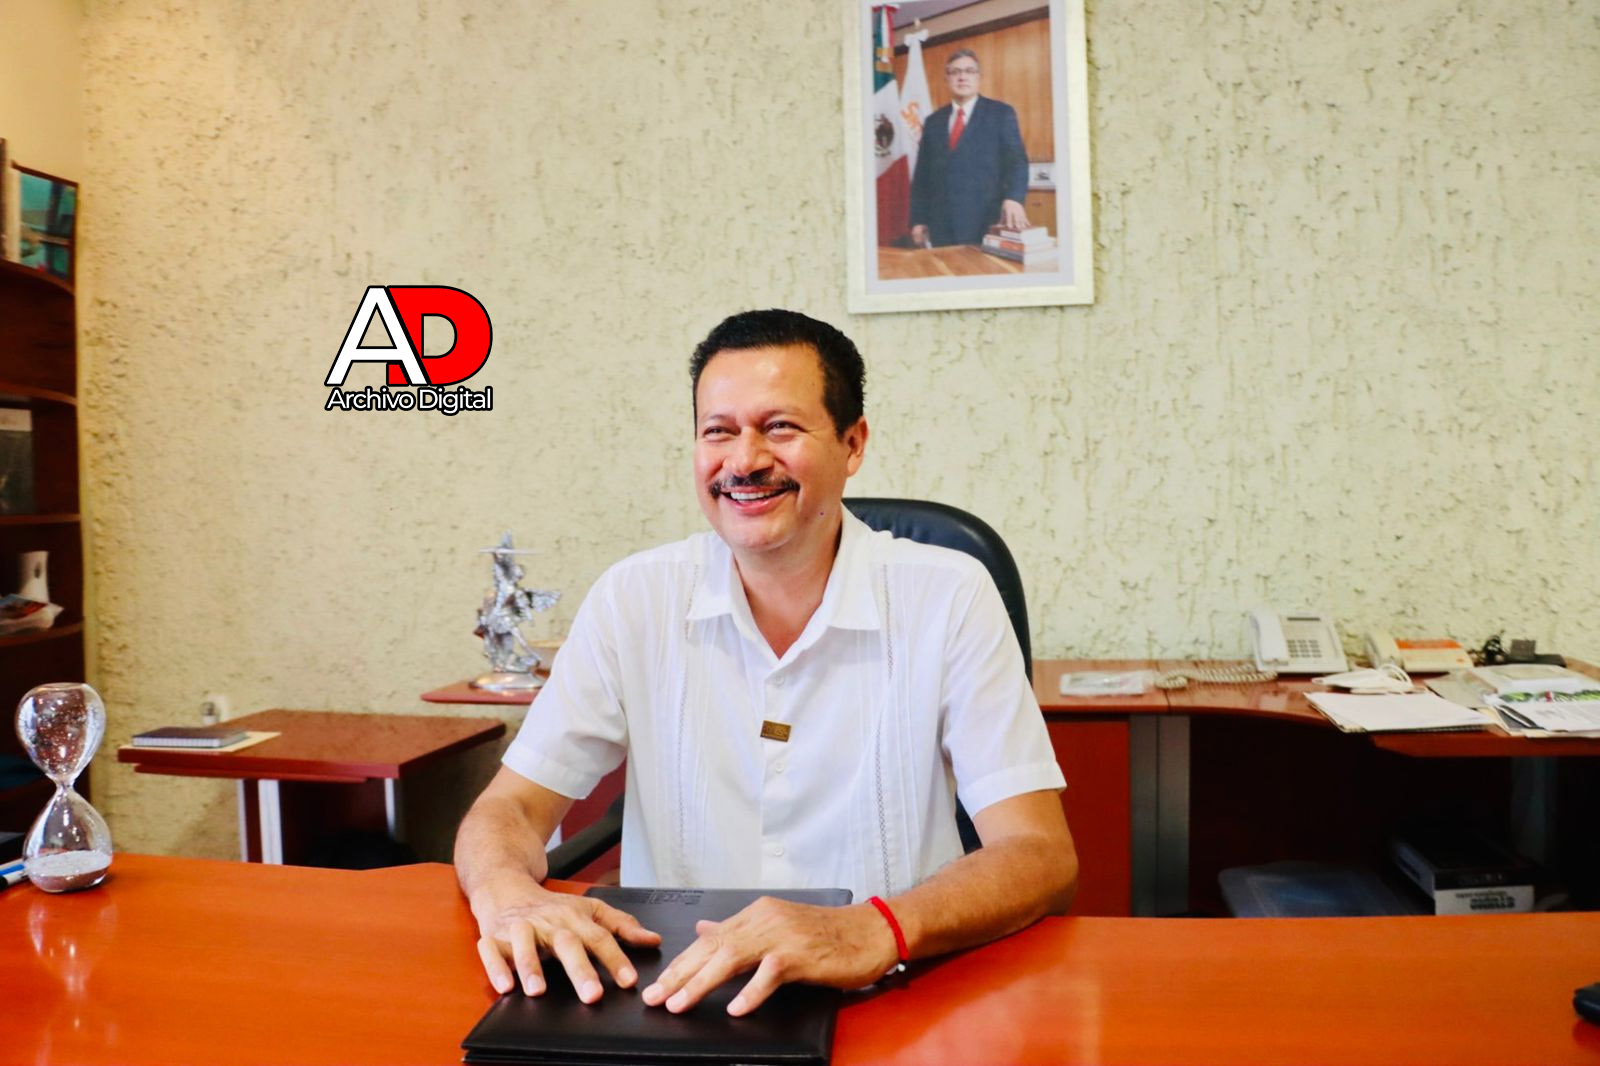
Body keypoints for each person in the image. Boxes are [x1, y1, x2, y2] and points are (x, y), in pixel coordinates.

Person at [454, 309, 1077, 1017]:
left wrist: (871, 929)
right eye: (718, 431)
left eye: (779, 427)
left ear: (852, 444)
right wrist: (507, 895)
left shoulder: (949, 596)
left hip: (892, 987)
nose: (744, 460)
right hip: (675, 994)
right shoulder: (635, 597)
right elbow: (508, 808)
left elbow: (1039, 854)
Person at [909, 49, 1031, 248]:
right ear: (947, 78)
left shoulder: (1000, 113)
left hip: (987, 222)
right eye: (955, 72)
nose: (962, 77)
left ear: (979, 77)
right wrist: (918, 219)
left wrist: (1014, 198)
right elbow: (922, 175)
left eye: (969, 71)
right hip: (941, 226)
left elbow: (1017, 162)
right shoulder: (933, 121)